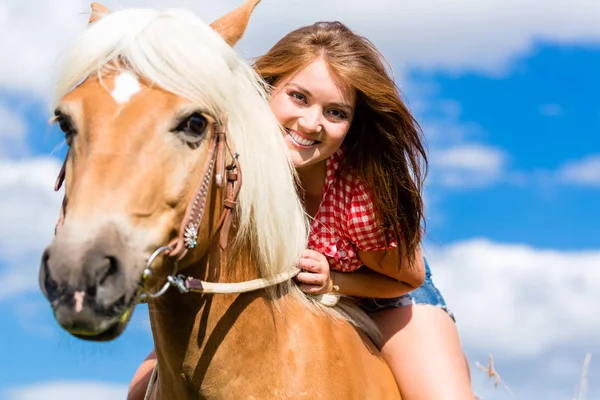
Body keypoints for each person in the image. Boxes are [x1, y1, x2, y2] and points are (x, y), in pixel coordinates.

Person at [129, 21, 473, 400]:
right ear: (269, 88)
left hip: (385, 295)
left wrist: (336, 283)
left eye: (336, 113)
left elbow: (407, 278)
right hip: (277, 291)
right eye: (298, 97)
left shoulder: (358, 193)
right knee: (138, 392)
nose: (311, 124)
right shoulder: (234, 158)